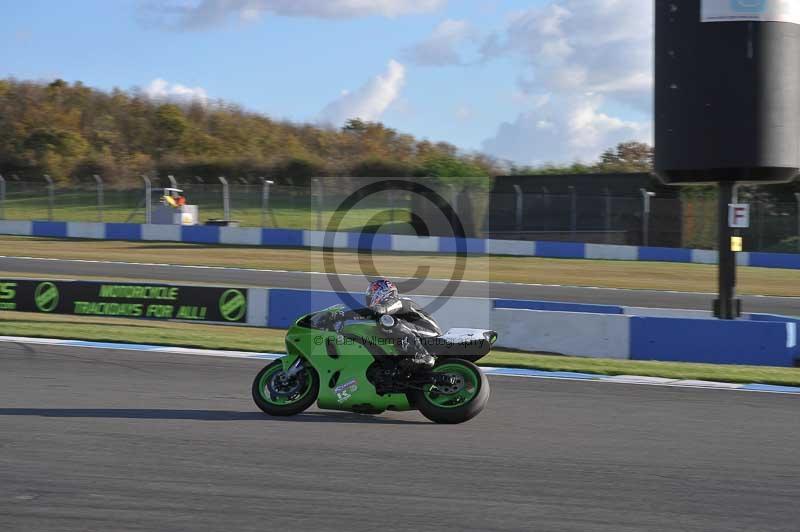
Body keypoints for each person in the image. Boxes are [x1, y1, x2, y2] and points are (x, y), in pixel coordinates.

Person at [364, 279, 442, 367]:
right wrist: (346, 315)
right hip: (415, 331)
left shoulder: (399, 301)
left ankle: (424, 356)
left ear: (383, 292)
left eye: (372, 293)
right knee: (385, 325)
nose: (369, 296)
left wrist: (369, 311)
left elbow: (382, 309)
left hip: (430, 331)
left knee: (391, 322)